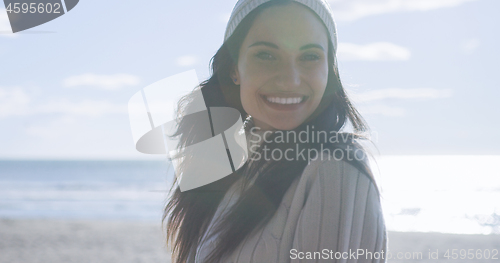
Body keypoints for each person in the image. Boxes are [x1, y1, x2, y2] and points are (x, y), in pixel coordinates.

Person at [164, 0, 388, 262]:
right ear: (234, 68)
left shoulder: (334, 169)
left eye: (310, 57)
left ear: (329, 69)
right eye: (267, 55)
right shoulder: (226, 163)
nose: (290, 80)